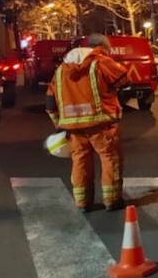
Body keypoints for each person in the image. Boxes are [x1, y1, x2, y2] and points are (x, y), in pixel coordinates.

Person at [45, 33, 134, 211]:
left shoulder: (61, 70)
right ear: (101, 48)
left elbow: (50, 102)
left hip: (74, 128)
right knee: (110, 159)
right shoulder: (100, 61)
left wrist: (59, 124)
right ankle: (112, 200)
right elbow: (125, 80)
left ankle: (82, 202)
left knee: (80, 161)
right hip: (102, 125)